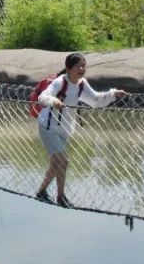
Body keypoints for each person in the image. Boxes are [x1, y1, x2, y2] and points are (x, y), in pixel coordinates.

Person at [34, 53, 125, 207]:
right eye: (78, 66)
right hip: (48, 126)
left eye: (84, 65)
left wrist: (112, 94)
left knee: (56, 164)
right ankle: (61, 197)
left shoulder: (82, 83)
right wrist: (53, 100)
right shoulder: (60, 82)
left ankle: (41, 192)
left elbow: (95, 100)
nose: (82, 69)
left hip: (63, 129)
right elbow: (42, 97)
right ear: (69, 68)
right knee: (64, 161)